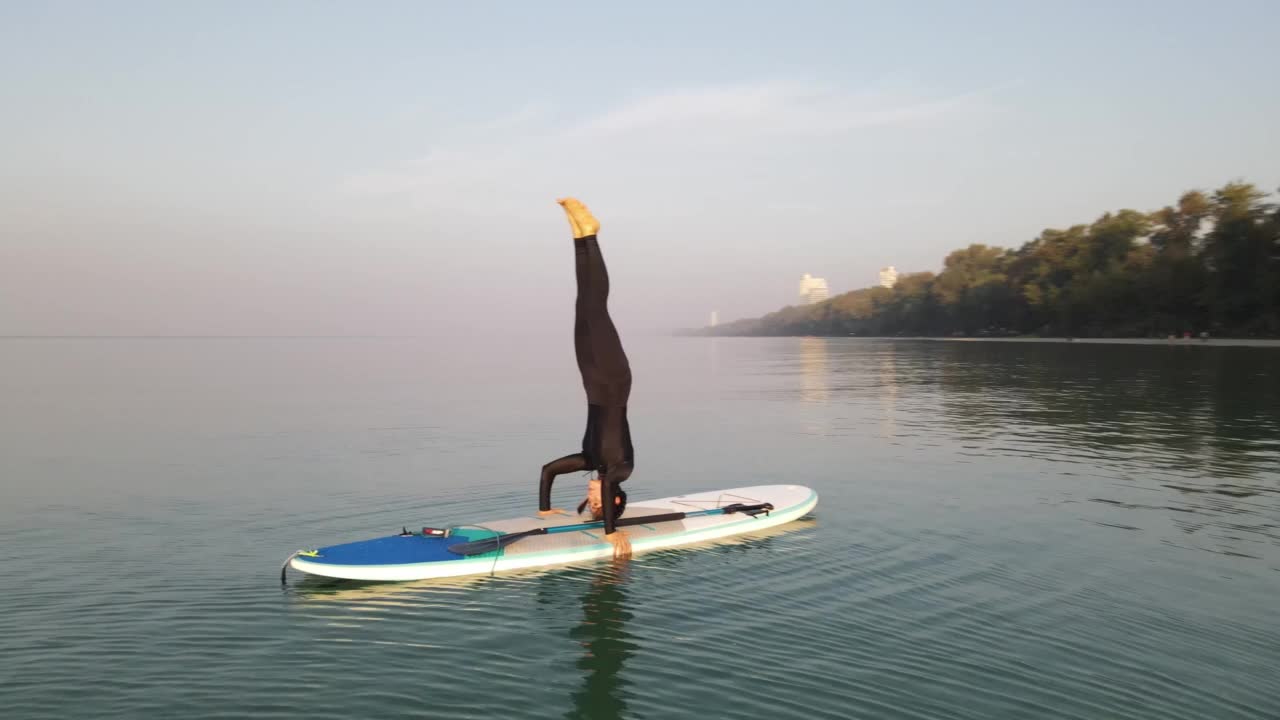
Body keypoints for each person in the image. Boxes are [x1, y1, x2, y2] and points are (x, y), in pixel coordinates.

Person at [537, 198, 634, 559]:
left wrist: (545, 508)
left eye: (591, 502)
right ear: (614, 499)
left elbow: (548, 470)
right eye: (597, 502)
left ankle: (580, 235)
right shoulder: (621, 469)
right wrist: (611, 534)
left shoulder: (589, 458)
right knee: (596, 306)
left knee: (584, 305)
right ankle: (590, 235)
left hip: (592, 381)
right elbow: (609, 486)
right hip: (614, 379)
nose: (592, 497)